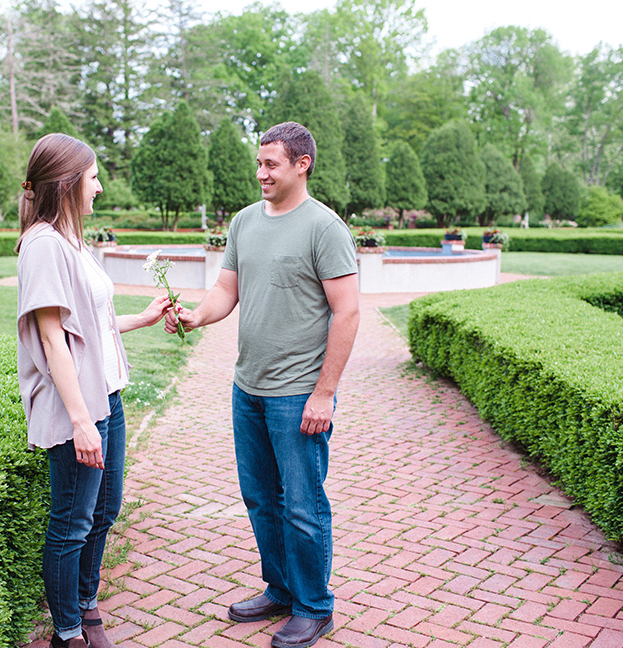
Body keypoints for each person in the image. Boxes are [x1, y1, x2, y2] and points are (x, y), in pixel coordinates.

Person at [165, 122, 360, 648]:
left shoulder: (325, 228)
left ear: (303, 164)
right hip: (247, 387)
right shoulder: (244, 222)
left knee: (303, 503)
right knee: (260, 499)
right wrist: (195, 317)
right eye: (259, 162)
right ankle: (280, 589)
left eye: (271, 164)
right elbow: (226, 290)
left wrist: (324, 392)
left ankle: (315, 606)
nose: (260, 173)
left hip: (298, 392)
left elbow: (347, 312)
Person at [16, 133, 170, 648]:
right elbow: (53, 340)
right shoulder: (41, 245)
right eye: (94, 176)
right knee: (72, 522)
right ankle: (67, 632)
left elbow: (89, 326)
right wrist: (82, 421)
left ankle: (86, 605)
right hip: (78, 406)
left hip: (107, 397)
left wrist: (142, 319)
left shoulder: (71, 241)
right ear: (68, 183)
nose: (99, 187)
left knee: (104, 510)